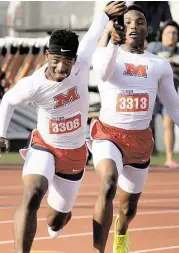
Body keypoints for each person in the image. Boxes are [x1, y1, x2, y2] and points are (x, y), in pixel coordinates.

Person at [0, 2, 128, 253]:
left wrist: (104, 14)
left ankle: (59, 217)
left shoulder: (81, 64)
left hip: (74, 153)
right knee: (33, 193)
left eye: (67, 61)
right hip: (44, 145)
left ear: (74, 59)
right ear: (47, 55)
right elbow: (7, 100)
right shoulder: (33, 84)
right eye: (56, 60)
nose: (62, 68)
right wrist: (1, 134)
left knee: (56, 221)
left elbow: (92, 35)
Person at [89, 4, 179, 253]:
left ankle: (121, 232)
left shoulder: (159, 65)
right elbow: (105, 73)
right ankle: (99, 250)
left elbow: (174, 107)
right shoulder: (104, 53)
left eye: (139, 21)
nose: (132, 26)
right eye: (126, 21)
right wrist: (111, 40)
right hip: (108, 134)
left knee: (128, 209)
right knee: (108, 183)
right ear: (118, 26)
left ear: (146, 29)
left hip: (139, 141)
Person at [148, 20, 179, 169]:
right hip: (151, 92)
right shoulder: (154, 47)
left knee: (169, 123)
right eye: (168, 33)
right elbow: (146, 63)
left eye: (174, 33)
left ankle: (169, 158)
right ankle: (143, 157)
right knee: (146, 124)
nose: (171, 36)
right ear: (161, 35)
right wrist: (167, 63)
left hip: (169, 94)